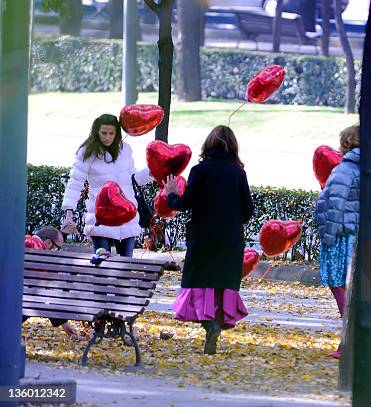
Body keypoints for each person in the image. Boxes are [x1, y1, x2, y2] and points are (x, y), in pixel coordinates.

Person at [164, 125, 254, 355]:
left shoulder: (200, 170)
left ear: (208, 145)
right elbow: (248, 212)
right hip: (230, 240)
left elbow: (184, 204)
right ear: (234, 147)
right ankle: (215, 326)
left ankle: (209, 325)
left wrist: (171, 194)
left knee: (198, 285)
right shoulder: (238, 173)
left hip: (203, 238)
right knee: (222, 286)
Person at [61, 114, 154, 257]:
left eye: (111, 133)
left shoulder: (125, 149)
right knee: (102, 264)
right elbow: (75, 182)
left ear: (117, 133)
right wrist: (69, 213)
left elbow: (133, 180)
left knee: (126, 264)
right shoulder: (87, 152)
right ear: (96, 132)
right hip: (100, 219)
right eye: (104, 133)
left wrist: (154, 171)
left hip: (127, 217)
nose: (107, 137)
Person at [314, 125, 360, 359]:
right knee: (348, 289)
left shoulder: (345, 169)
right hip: (355, 234)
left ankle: (350, 340)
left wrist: (328, 237)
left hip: (341, 235)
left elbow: (335, 205)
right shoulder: (368, 168)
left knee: (340, 286)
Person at [23, 226, 90, 341]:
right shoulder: (40, 251)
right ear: (48, 243)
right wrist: (63, 322)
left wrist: (62, 322)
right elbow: (47, 292)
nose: (58, 252)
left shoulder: (20, 241)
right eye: (58, 248)